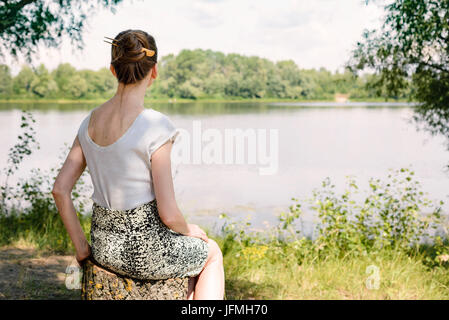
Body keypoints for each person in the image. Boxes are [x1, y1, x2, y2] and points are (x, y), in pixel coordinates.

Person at [51, 29, 225, 300]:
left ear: (112, 69)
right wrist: (190, 230)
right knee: (211, 253)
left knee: (188, 263)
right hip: (144, 251)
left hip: (103, 247)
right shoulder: (155, 126)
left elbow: (60, 190)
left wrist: (82, 248)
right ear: (153, 72)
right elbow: (168, 214)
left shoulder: (90, 122)